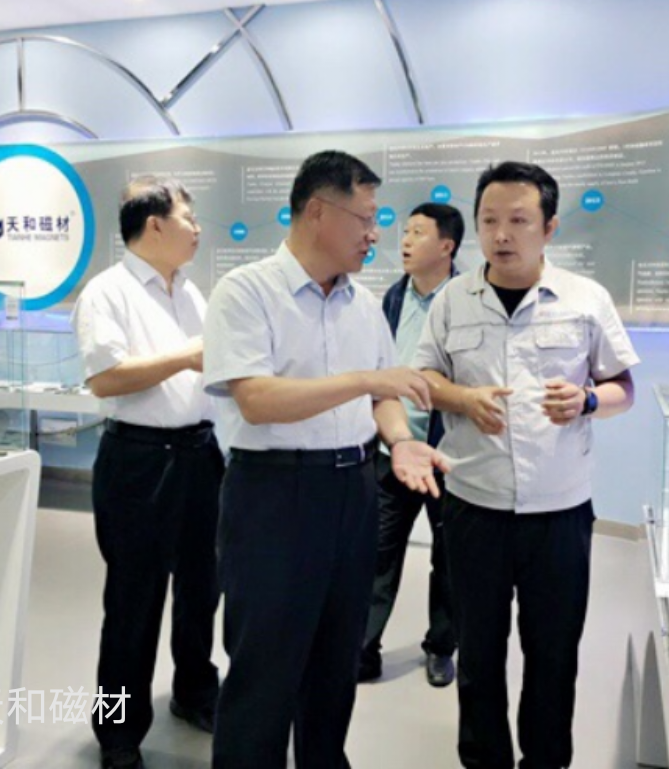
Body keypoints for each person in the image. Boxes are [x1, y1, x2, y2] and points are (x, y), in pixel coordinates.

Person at [202, 150, 449, 769]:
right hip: (274, 495)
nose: (375, 234)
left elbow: (383, 397)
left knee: (336, 663)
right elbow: (257, 399)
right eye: (366, 218)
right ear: (317, 211)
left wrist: (400, 440)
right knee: (264, 665)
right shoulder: (246, 291)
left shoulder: (362, 304)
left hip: (352, 491)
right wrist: (364, 380)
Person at [414, 161, 638, 769]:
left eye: (518, 220)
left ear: (549, 227)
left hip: (560, 513)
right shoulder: (453, 300)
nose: (501, 234)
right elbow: (424, 377)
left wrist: (587, 400)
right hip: (474, 507)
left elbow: (623, 388)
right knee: (478, 655)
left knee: (554, 654)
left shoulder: (585, 299)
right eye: (489, 220)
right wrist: (463, 398)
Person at [72, 176, 223, 769]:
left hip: (200, 455)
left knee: (201, 588)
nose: (198, 229)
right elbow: (106, 377)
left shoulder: (190, 291)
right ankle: (117, 733)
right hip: (139, 462)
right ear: (154, 224)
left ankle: (195, 691)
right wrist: (187, 355)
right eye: (189, 218)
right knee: (133, 601)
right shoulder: (106, 292)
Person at [358, 202, 463, 688]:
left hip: (446, 455)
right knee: (376, 554)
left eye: (418, 233)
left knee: (450, 560)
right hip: (392, 449)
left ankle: (441, 648)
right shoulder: (393, 296)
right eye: (405, 232)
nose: (404, 241)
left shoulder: (466, 300)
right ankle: (363, 649)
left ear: (447, 246)